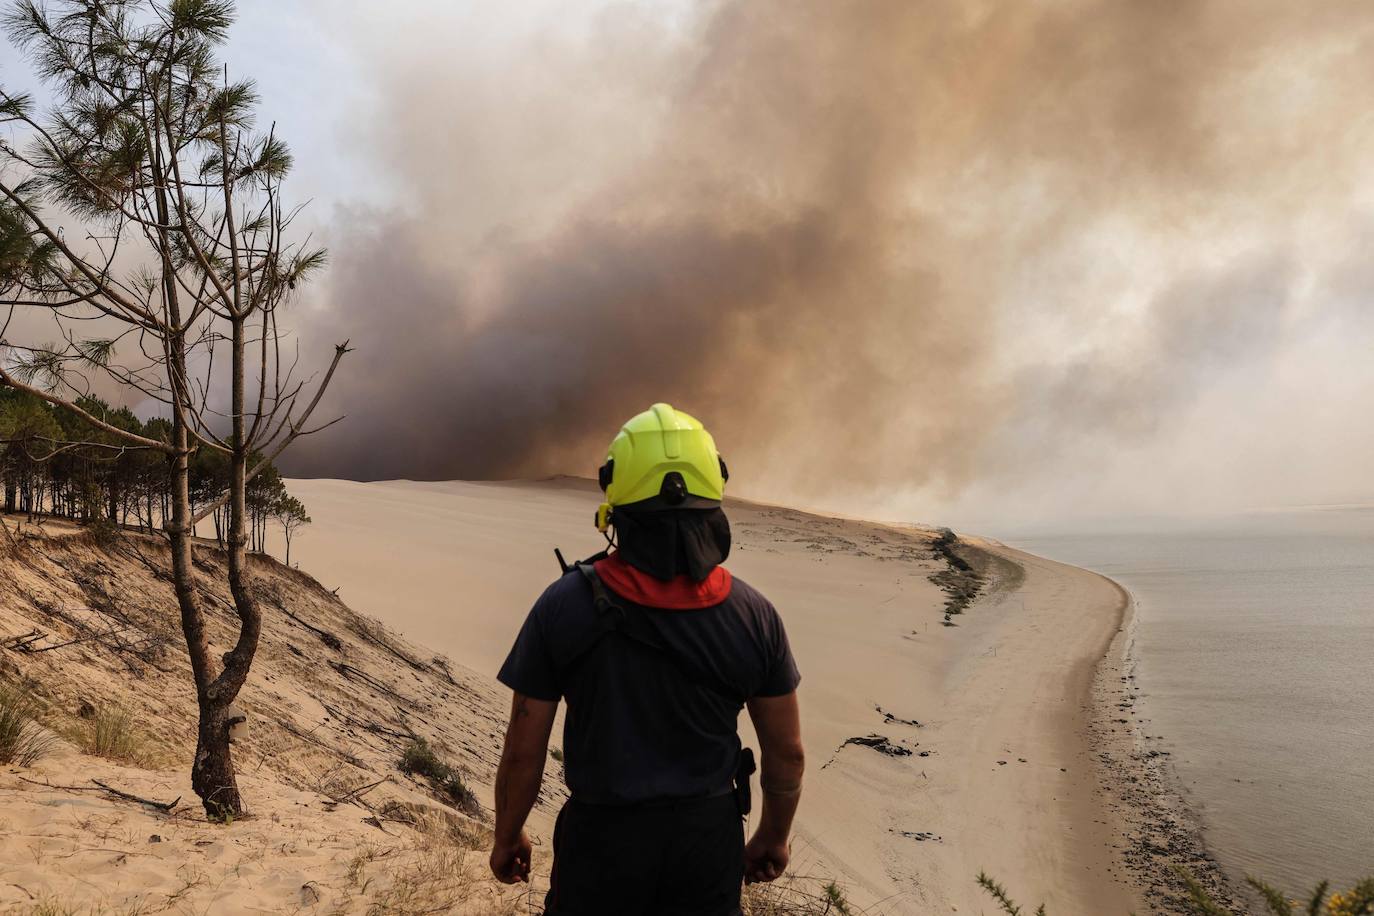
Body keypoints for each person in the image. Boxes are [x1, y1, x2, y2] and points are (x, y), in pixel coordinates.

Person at [490, 402, 805, 916]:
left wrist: (508, 835)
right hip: (707, 844)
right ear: (713, 494)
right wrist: (773, 836)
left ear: (616, 500)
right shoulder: (756, 615)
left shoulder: (563, 606)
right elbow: (787, 754)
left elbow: (524, 750)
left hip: (601, 843)